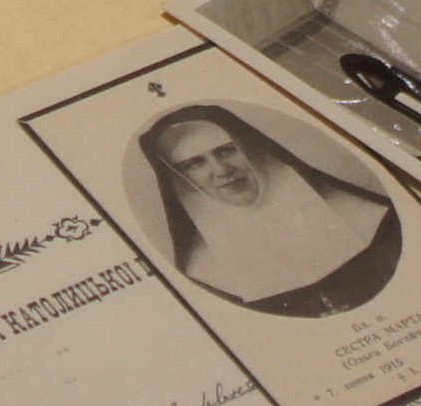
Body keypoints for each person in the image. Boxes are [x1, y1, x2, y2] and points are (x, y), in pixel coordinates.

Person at [139, 106, 402, 315]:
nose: (222, 170)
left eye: (227, 151)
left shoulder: (369, 219)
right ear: (179, 180)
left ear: (250, 149)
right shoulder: (205, 273)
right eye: (195, 163)